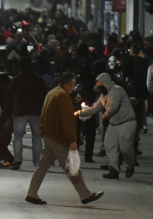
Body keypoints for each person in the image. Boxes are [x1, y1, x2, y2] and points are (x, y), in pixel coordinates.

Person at [25, 72, 104, 206]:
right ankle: (85, 195)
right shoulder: (63, 97)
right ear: (70, 84)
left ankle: (32, 193)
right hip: (58, 137)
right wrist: (72, 140)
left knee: (42, 166)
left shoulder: (52, 93)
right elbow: (66, 121)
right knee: (72, 168)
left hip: (48, 134)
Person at [78, 73, 137, 179]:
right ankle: (114, 169)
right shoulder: (103, 96)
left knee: (125, 148)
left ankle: (130, 165)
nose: (98, 86)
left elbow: (114, 106)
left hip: (127, 122)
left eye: (100, 83)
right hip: (113, 123)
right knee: (110, 146)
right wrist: (80, 113)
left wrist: (105, 115)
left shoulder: (117, 90)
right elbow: (96, 107)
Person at [6, 56, 47, 169]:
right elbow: (45, 94)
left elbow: (9, 95)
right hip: (35, 110)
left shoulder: (17, 79)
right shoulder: (38, 78)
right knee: (37, 137)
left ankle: (17, 160)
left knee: (18, 136)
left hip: (20, 110)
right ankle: (37, 162)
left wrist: (8, 110)